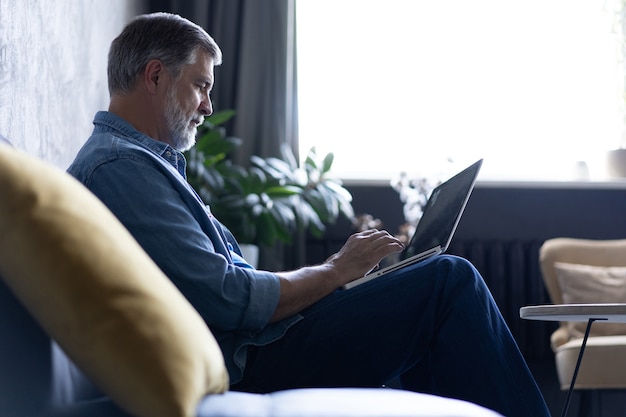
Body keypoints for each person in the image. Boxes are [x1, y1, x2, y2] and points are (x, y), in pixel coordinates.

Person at [67, 12, 550, 417]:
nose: (209, 107)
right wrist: (334, 271)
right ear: (155, 76)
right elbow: (230, 297)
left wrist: (334, 280)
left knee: (429, 281)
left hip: (257, 345)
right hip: (251, 361)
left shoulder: (139, 162)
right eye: (201, 86)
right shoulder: (120, 168)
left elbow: (226, 283)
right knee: (448, 281)